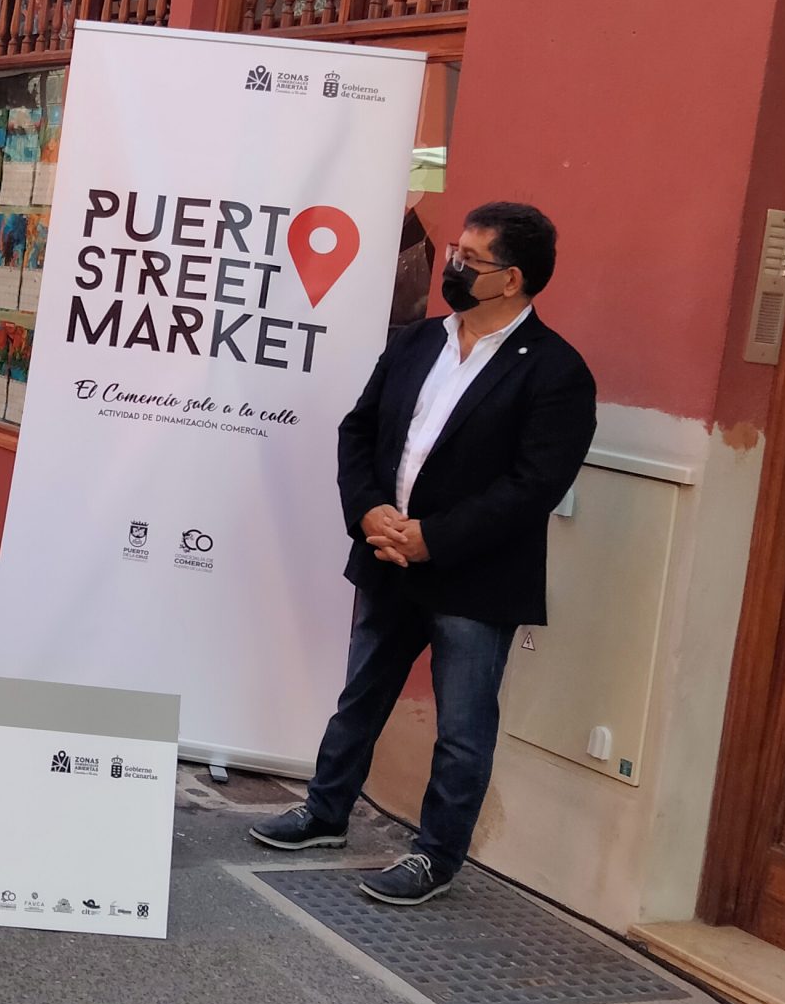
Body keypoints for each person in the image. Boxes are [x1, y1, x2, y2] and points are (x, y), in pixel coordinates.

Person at [249, 202, 598, 906]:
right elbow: (359, 431)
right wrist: (368, 511)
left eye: (471, 258)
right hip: (387, 557)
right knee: (360, 696)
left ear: (513, 279)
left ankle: (435, 857)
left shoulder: (556, 371)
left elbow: (532, 486)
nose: (453, 266)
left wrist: (432, 537)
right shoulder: (416, 342)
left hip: (474, 578)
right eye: (455, 252)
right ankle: (325, 811)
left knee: (463, 727)